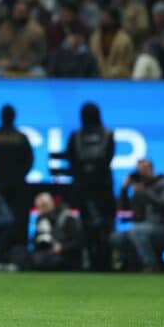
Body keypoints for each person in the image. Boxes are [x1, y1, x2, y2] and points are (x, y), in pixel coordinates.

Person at [66, 102, 116, 271]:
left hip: (85, 189)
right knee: (106, 226)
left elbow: (72, 162)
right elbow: (107, 159)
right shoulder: (108, 135)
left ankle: (91, 261)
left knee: (88, 227)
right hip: (102, 188)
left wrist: (83, 178)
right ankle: (105, 262)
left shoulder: (76, 136)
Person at [0, 104, 34, 249]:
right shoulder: (21, 137)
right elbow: (29, 161)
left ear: (1, 117)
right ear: (14, 117)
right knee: (17, 218)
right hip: (16, 185)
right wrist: (20, 176)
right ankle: (16, 248)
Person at [110, 158, 164, 272]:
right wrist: (124, 189)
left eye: (144, 169)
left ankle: (151, 265)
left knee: (136, 230)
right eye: (139, 169)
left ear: (151, 169)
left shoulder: (163, 183)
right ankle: (133, 265)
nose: (142, 172)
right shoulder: (139, 188)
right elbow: (124, 208)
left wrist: (145, 192)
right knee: (116, 237)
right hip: (141, 228)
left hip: (163, 229)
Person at [19, 192, 82, 271]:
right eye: (38, 207)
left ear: (51, 203)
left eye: (43, 206)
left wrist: (62, 247)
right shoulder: (41, 219)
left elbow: (79, 242)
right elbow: (37, 241)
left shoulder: (67, 217)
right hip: (47, 253)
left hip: (66, 256)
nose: (40, 210)